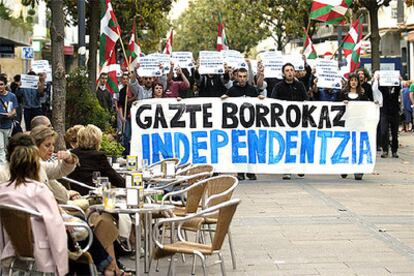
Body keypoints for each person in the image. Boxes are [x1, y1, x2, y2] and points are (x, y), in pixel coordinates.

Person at [0, 144, 68, 276]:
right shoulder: (40, 191)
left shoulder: (2, 191)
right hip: (41, 252)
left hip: (10, 251)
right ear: (36, 166)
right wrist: (61, 266)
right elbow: (55, 226)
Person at [270, 63, 308, 180]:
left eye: (291, 70)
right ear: (283, 73)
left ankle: (298, 167)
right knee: (286, 145)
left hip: (298, 121)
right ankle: (287, 170)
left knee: (299, 144)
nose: (290, 72)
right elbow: (273, 102)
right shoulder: (278, 86)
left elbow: (306, 100)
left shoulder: (300, 85)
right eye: (287, 70)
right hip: (284, 121)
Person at [222, 67, 261, 181]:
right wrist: (225, 98)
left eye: (244, 77)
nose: (242, 79)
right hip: (237, 124)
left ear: (247, 77)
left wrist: (260, 98)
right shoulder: (232, 90)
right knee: (239, 147)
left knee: (250, 147)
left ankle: (250, 171)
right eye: (240, 76)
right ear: (236, 77)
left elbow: (258, 102)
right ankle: (240, 172)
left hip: (250, 124)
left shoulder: (253, 90)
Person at [68, 124, 125, 195]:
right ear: (96, 140)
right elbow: (115, 178)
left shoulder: (71, 154)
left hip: (74, 193)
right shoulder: (98, 156)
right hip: (92, 194)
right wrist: (128, 184)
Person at [339, 73, 369, 181]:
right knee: (347, 146)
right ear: (349, 82)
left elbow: (368, 107)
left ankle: (358, 170)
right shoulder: (343, 94)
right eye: (351, 80)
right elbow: (336, 107)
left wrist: (374, 104)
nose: (353, 82)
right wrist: (342, 104)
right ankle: (345, 167)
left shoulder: (362, 96)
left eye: (355, 80)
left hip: (359, 125)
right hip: (347, 124)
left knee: (358, 147)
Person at [374, 73, 401, 158]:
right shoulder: (383, 87)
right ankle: (385, 150)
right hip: (384, 112)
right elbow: (377, 88)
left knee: (394, 133)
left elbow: (399, 87)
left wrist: (399, 79)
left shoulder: (395, 87)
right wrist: (377, 80)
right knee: (384, 131)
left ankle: (394, 151)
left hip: (394, 112)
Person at [0, 75, 18, 164]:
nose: (0, 87)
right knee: (0, 148)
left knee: (7, 147)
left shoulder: (12, 96)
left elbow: (14, 109)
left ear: (5, 85)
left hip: (8, 125)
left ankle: (7, 165)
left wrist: (10, 114)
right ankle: (2, 168)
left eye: (1, 84)